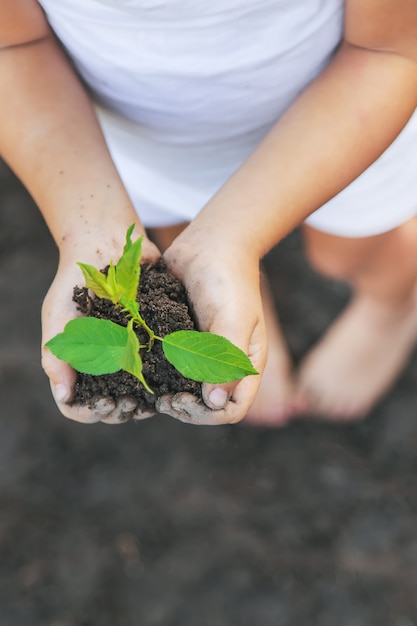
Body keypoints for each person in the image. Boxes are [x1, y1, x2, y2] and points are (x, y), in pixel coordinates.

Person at [1, 0, 417, 427]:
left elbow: (389, 51)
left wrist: (239, 237)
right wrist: (91, 232)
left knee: (352, 252)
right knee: (184, 243)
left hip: (342, 133)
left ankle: (391, 307)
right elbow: (11, 46)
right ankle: (232, 286)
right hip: (129, 149)